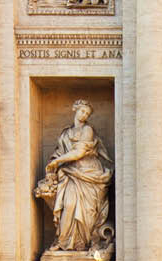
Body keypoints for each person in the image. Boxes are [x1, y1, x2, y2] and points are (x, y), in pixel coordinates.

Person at [37, 100, 112, 252]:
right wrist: (54, 162)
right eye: (82, 111)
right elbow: (59, 152)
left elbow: (79, 152)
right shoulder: (65, 133)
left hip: (88, 173)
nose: (84, 115)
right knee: (69, 205)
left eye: (87, 113)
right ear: (75, 110)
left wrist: (58, 161)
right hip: (70, 174)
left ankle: (82, 243)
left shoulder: (88, 130)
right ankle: (63, 241)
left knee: (87, 212)